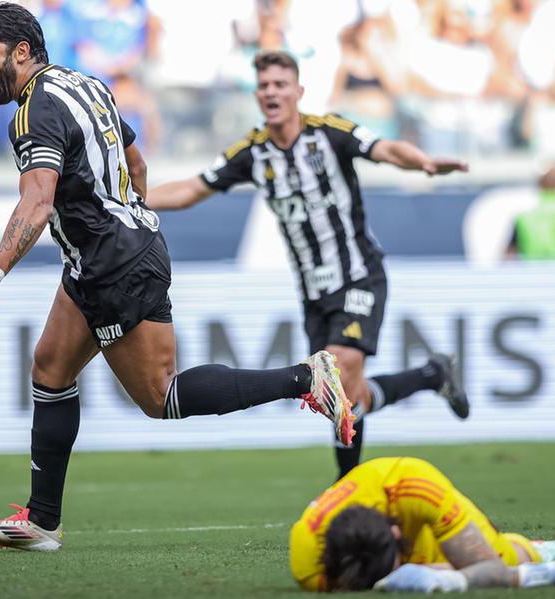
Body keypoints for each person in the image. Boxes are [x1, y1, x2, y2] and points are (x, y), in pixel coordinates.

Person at [0, 2, 354, 552]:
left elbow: (38, 202)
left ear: (21, 52)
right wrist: (129, 214)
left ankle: (306, 380)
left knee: (161, 396)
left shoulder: (33, 111)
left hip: (113, 262)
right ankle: (42, 522)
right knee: (49, 368)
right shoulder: (84, 84)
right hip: (105, 255)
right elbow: (135, 159)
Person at [145, 50, 470, 482]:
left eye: (280, 84)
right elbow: (192, 189)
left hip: (358, 275)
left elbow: (385, 148)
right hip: (313, 293)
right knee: (348, 396)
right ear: (257, 95)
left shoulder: (329, 132)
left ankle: (346, 491)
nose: (271, 92)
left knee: (334, 371)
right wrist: (129, 201)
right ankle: (431, 375)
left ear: (298, 91)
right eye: (264, 85)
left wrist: (422, 161)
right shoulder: (253, 152)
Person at [289, 457, 555, 592]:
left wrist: (544, 573)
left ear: (396, 533)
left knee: (501, 557)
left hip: (418, 499)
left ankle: (534, 549)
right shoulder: (307, 561)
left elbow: (488, 567)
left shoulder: (420, 488)